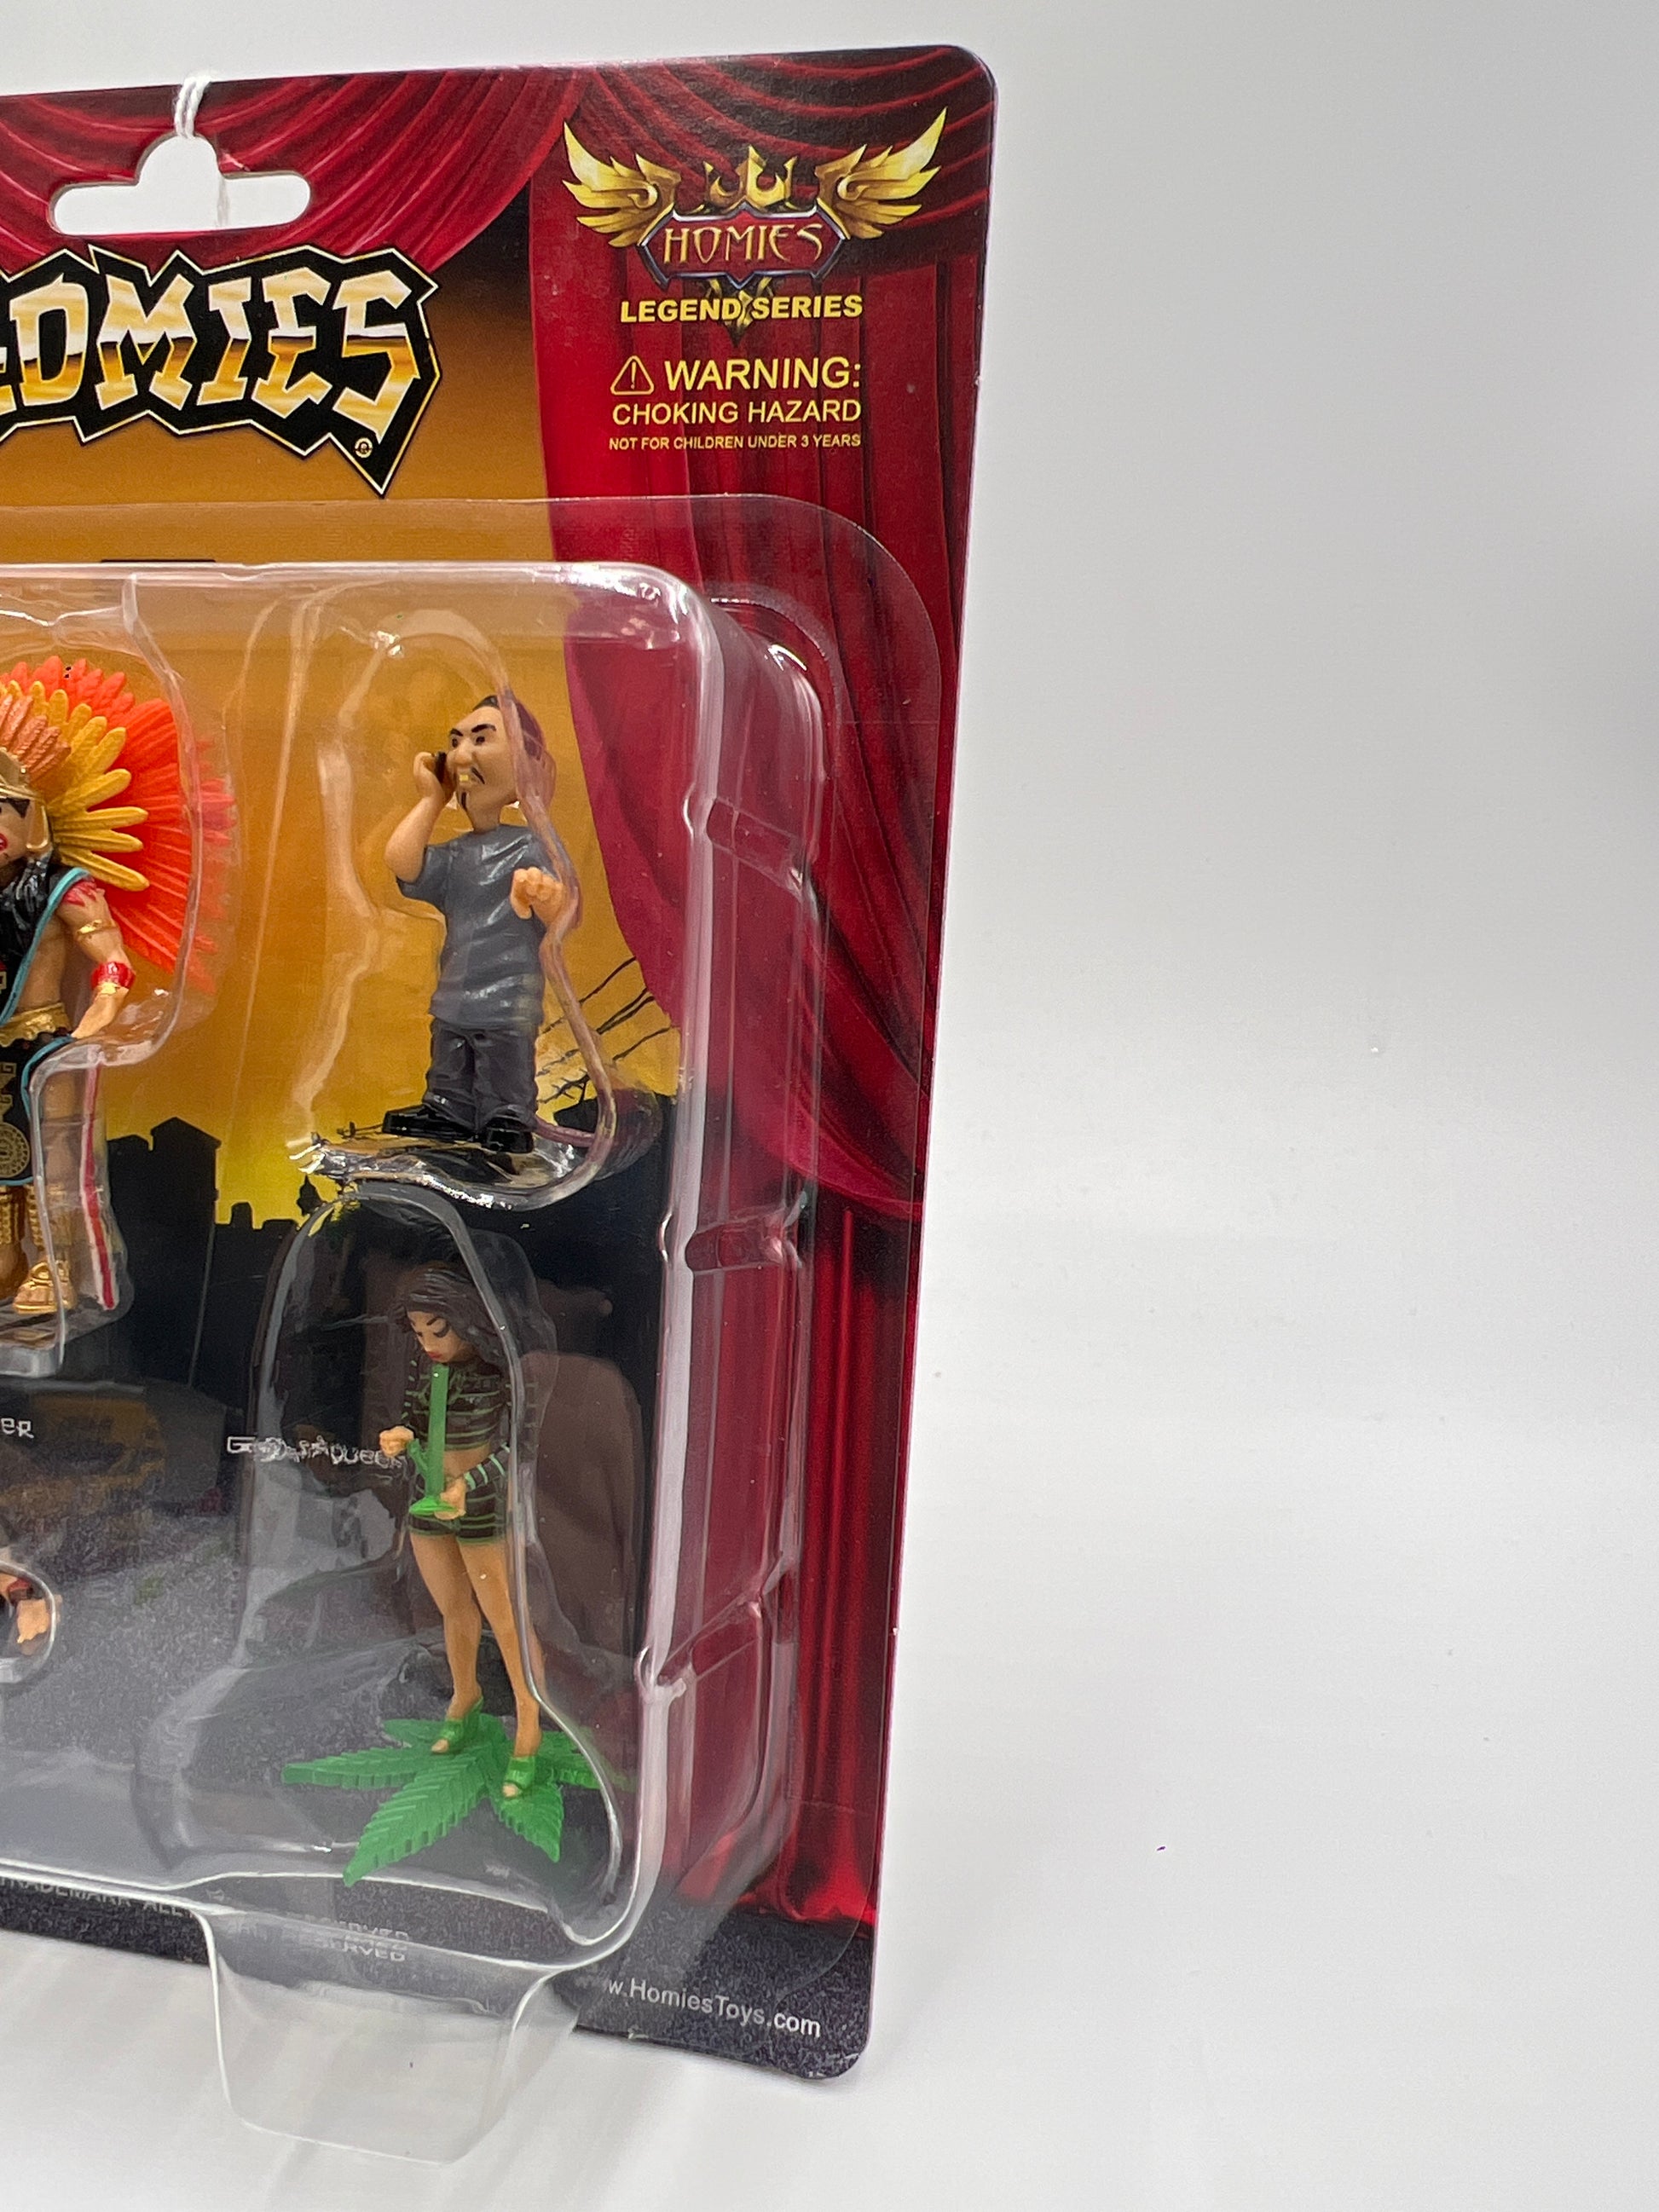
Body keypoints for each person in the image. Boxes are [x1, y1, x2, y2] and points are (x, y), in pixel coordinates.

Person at [381, 695, 572, 1159]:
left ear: (527, 764)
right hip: (455, 995)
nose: (462, 754)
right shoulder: (458, 855)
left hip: (506, 999)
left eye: (481, 739)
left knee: (503, 1063)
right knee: (450, 1062)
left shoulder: (531, 846)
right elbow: (402, 862)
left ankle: (508, 1114)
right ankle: (448, 1109)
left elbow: (564, 911)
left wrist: (543, 896)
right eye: (455, 742)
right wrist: (432, 800)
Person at [379, 1265, 545, 1797]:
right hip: (428, 1499)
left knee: (506, 1616)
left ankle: (529, 1717)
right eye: (419, 1333)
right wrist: (401, 1434)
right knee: (453, 1608)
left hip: (480, 1506)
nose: (428, 1344)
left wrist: (468, 1484)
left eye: (438, 1330)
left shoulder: (498, 1377)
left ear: (467, 1322)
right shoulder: (427, 1371)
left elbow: (514, 1447)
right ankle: (464, 1695)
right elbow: (415, 1415)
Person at [0, 748, 132, 1312]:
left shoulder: (64, 888)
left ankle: (55, 1265)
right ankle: (7, 1261)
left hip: (43, 1043)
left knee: (52, 1159)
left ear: (29, 819)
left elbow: (113, 961)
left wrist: (101, 1012)